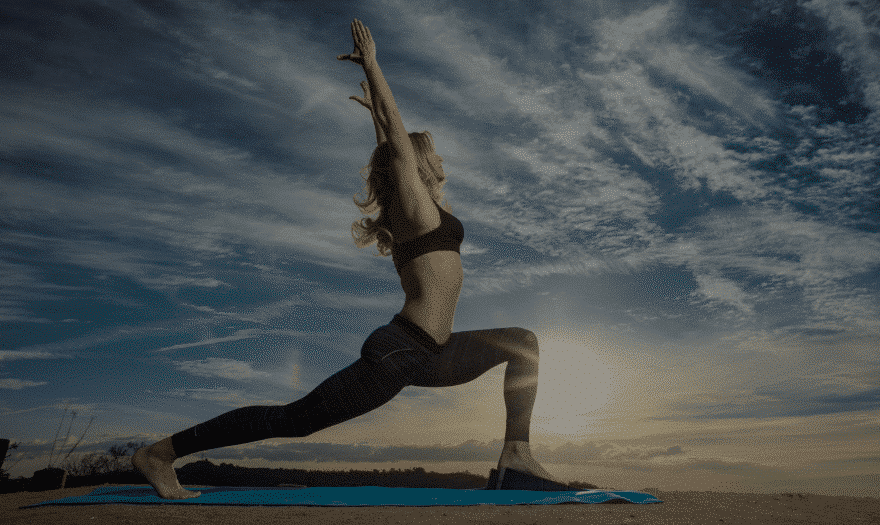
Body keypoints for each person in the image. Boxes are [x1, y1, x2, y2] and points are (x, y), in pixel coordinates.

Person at [133, 19, 574, 499]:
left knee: (521, 344)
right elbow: (400, 152)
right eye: (434, 154)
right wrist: (376, 70)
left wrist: (377, 120)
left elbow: (396, 150)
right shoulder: (414, 211)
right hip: (400, 352)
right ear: (420, 162)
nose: (442, 161)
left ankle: (516, 454)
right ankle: (160, 453)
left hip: (433, 354)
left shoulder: (430, 210)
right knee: (297, 419)